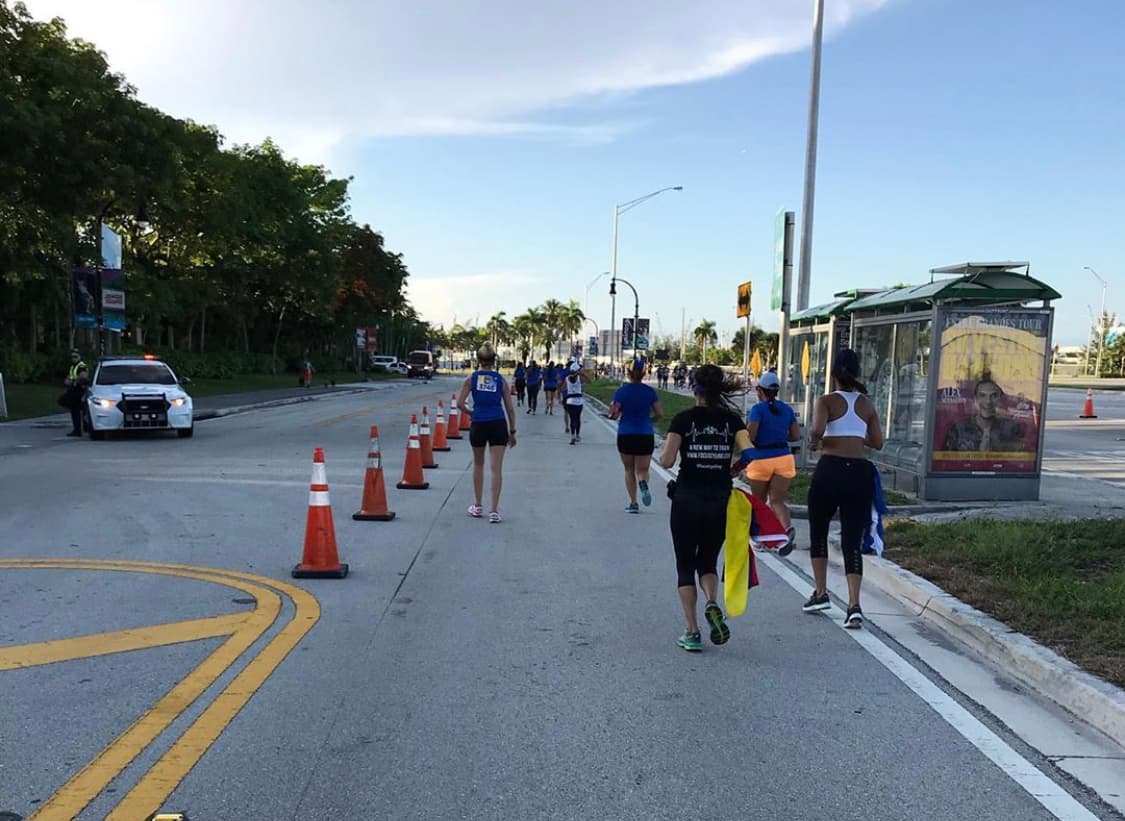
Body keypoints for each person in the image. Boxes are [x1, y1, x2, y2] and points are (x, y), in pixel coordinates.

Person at [657, 364, 746, 652]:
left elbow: (667, 461)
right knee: (707, 561)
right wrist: (735, 469)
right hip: (719, 500)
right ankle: (711, 602)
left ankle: (693, 631)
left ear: (694, 389)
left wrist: (665, 450)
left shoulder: (684, 420)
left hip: (686, 499)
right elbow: (752, 453)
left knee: (685, 565)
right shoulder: (733, 421)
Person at [805, 348, 884, 628]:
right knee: (852, 539)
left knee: (819, 531)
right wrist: (854, 437)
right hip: (859, 473)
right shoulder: (866, 405)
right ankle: (854, 604)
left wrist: (816, 442)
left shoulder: (825, 401)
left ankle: (821, 592)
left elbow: (816, 429)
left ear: (834, 372)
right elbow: (877, 442)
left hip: (830, 469)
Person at [456, 343, 517, 524]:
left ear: (478, 360)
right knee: (496, 468)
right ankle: (494, 510)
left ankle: (477, 505)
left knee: (478, 464)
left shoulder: (471, 379)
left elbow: (460, 403)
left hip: (479, 424)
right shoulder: (500, 380)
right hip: (498, 423)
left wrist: (472, 414)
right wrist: (512, 431)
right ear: (494, 360)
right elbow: (510, 409)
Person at [743, 371, 801, 554]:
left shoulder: (757, 410)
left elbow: (751, 435)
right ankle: (785, 533)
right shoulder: (786, 409)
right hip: (784, 459)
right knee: (777, 501)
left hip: (761, 459)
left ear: (760, 390)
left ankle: (759, 540)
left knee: (758, 502)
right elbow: (795, 435)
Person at [610, 357, 663, 513]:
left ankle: (633, 503)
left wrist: (614, 415)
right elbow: (660, 413)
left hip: (626, 433)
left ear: (629, 373)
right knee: (643, 470)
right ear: (644, 373)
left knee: (628, 469)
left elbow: (614, 414)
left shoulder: (621, 391)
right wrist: (650, 420)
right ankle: (643, 482)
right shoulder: (650, 392)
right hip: (645, 433)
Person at [941, 377, 1024, 451]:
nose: (988, 401)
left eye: (994, 396)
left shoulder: (1011, 429)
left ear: (1000, 400)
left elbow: (1020, 461)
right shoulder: (958, 430)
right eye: (982, 395)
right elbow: (945, 463)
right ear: (975, 400)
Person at [61, 348, 90, 437]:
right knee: (75, 409)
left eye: (75, 356)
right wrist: (68, 381)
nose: (73, 358)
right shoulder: (73, 366)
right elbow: (69, 377)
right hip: (74, 390)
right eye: (72, 357)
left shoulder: (81, 366)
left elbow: (83, 376)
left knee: (77, 410)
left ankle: (80, 429)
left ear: (79, 357)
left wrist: (73, 381)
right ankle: (80, 428)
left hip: (80, 390)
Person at [563, 362, 585, 445]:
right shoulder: (580, 378)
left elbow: (563, 388)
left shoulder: (567, 378)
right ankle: (577, 435)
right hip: (579, 401)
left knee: (572, 419)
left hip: (570, 400)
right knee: (578, 418)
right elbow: (590, 381)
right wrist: (583, 374)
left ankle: (572, 436)